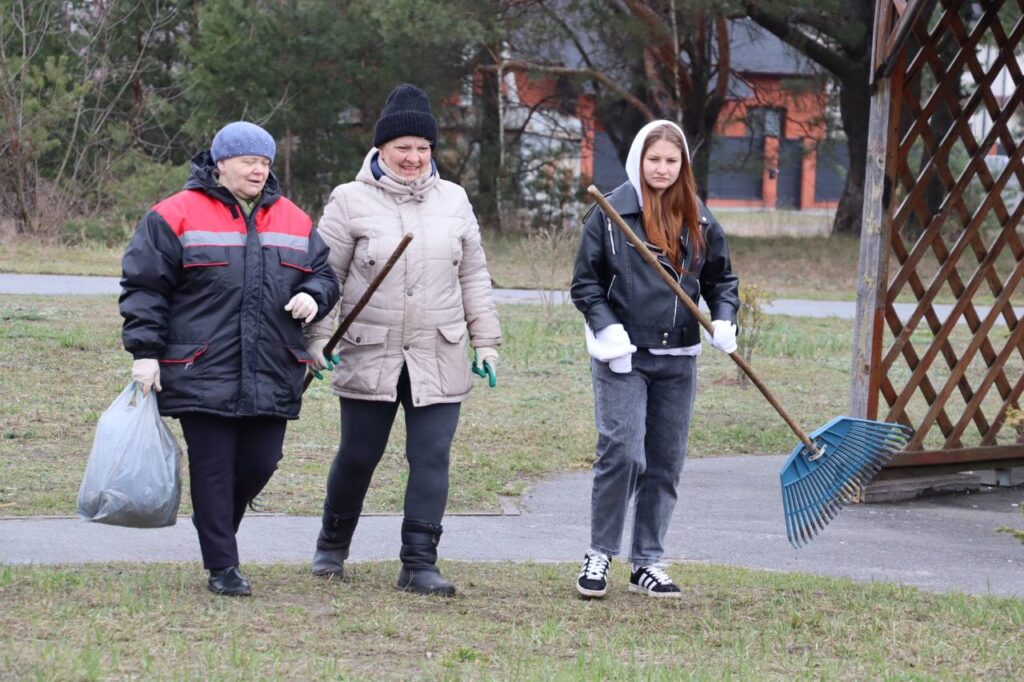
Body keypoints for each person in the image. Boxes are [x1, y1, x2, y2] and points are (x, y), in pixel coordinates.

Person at [119, 121, 340, 597]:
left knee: (261, 462)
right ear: (220, 164)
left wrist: (313, 295)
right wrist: (145, 353)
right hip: (200, 367)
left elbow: (324, 274)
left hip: (272, 367)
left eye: (265, 162)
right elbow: (145, 289)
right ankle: (223, 566)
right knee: (213, 468)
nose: (259, 170)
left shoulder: (294, 219)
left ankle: (213, 523)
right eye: (248, 161)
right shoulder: (173, 214)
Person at [303, 84, 501, 597]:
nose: (413, 157)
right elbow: (325, 275)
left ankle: (418, 563)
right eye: (403, 147)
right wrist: (317, 339)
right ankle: (331, 546)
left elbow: (473, 276)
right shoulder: (349, 200)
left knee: (431, 456)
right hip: (370, 349)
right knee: (358, 455)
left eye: (423, 147)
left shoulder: (454, 200)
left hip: (439, 350)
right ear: (381, 149)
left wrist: (486, 342)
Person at [570, 119, 739, 599]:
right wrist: (608, 329)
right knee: (623, 451)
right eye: (654, 159)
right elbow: (585, 284)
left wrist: (724, 318)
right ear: (638, 160)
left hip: (678, 356)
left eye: (671, 160)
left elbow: (722, 280)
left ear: (683, 165)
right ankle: (600, 552)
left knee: (665, 462)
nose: (662, 168)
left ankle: (646, 560)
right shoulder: (609, 213)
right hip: (622, 355)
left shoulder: (699, 218)